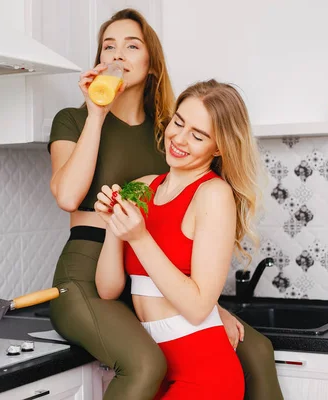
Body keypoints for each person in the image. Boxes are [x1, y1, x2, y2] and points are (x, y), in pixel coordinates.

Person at [48, 8, 284, 400]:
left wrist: (208, 308)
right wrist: (96, 112)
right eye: (109, 46)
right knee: (147, 364)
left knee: (255, 348)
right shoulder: (74, 118)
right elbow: (69, 197)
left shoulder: (166, 134)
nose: (118, 54)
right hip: (92, 263)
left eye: (132, 45)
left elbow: (182, 230)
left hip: (146, 271)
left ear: (151, 60)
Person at [94, 79, 261, 399]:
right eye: (178, 123)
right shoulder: (142, 186)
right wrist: (112, 227)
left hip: (203, 374)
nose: (179, 138)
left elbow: (199, 307)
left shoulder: (213, 194)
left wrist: (139, 237)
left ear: (220, 147)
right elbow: (108, 289)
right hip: (152, 369)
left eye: (197, 135)